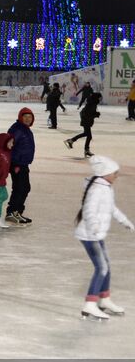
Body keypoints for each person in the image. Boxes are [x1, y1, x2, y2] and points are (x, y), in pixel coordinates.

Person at [75, 156, 135, 320]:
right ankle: (90, 304)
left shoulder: (105, 187)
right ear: (106, 173)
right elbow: (88, 210)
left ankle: (105, 299)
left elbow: (111, 208)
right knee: (101, 268)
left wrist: (125, 221)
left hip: (96, 234)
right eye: (115, 173)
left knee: (106, 266)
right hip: (90, 235)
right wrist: (93, 227)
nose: (117, 176)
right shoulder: (97, 189)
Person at [5, 107, 37, 225]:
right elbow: (8, 144)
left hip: (22, 162)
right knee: (20, 188)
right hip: (17, 163)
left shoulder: (24, 128)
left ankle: (16, 211)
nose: (28, 119)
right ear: (20, 117)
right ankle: (12, 212)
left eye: (30, 117)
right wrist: (13, 163)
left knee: (24, 187)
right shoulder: (18, 129)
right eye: (25, 117)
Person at [65, 92, 102, 157]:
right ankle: (85, 149)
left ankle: (72, 141)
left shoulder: (93, 103)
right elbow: (86, 113)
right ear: (96, 97)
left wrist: (95, 113)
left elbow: (89, 112)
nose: (100, 99)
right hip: (86, 121)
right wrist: (95, 114)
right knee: (89, 136)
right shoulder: (91, 104)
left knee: (86, 134)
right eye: (99, 97)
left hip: (87, 120)